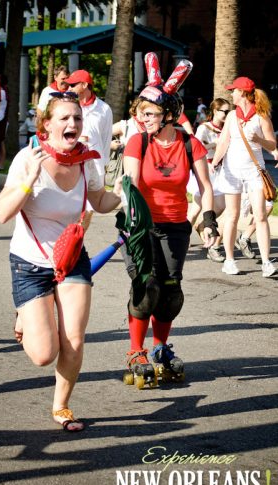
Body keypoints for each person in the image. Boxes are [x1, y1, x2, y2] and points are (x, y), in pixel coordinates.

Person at [0, 93, 122, 431]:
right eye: (65, 118)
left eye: (77, 118)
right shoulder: (28, 158)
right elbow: (3, 214)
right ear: (47, 125)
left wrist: (125, 195)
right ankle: (25, 311)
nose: (73, 124)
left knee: (74, 340)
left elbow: (99, 200)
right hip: (30, 264)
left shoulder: (87, 160)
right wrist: (29, 180)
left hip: (71, 258)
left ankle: (61, 406)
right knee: (42, 354)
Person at [121, 82, 218, 384]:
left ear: (168, 114)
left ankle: (160, 348)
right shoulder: (138, 142)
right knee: (147, 287)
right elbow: (131, 182)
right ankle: (136, 351)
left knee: (171, 291)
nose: (143, 118)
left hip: (176, 226)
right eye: (140, 112)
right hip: (142, 226)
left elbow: (205, 188)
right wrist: (134, 220)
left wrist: (210, 221)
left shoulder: (189, 144)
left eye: (149, 113)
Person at [211, 76, 277, 277]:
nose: (231, 94)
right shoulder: (231, 116)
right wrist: (214, 162)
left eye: (234, 91)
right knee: (232, 215)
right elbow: (223, 142)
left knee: (260, 215)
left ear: (243, 93)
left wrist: (258, 139)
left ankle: (266, 262)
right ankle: (229, 260)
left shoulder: (261, 116)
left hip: (254, 171)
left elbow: (272, 145)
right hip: (232, 170)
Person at [188, 97, 231, 262]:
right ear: (215, 111)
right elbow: (195, 148)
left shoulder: (226, 128)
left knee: (220, 206)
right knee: (195, 210)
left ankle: (203, 226)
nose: (227, 114)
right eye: (224, 111)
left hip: (220, 172)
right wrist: (215, 144)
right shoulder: (204, 128)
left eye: (229, 111)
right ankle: (177, 241)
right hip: (204, 171)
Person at [64, 69, 113, 185]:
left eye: (72, 85)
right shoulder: (67, 106)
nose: (69, 88)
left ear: (85, 85)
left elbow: (106, 139)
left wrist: (104, 164)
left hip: (97, 165)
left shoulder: (104, 109)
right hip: (72, 163)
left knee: (96, 201)